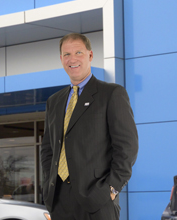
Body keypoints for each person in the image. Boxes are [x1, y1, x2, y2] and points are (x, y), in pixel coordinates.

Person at [41, 33, 138, 220]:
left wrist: (111, 189)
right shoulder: (54, 101)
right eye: (67, 54)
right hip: (59, 200)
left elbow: (127, 147)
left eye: (78, 52)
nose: (72, 59)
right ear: (61, 59)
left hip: (97, 200)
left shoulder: (111, 94)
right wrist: (48, 185)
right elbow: (48, 150)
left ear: (90, 55)